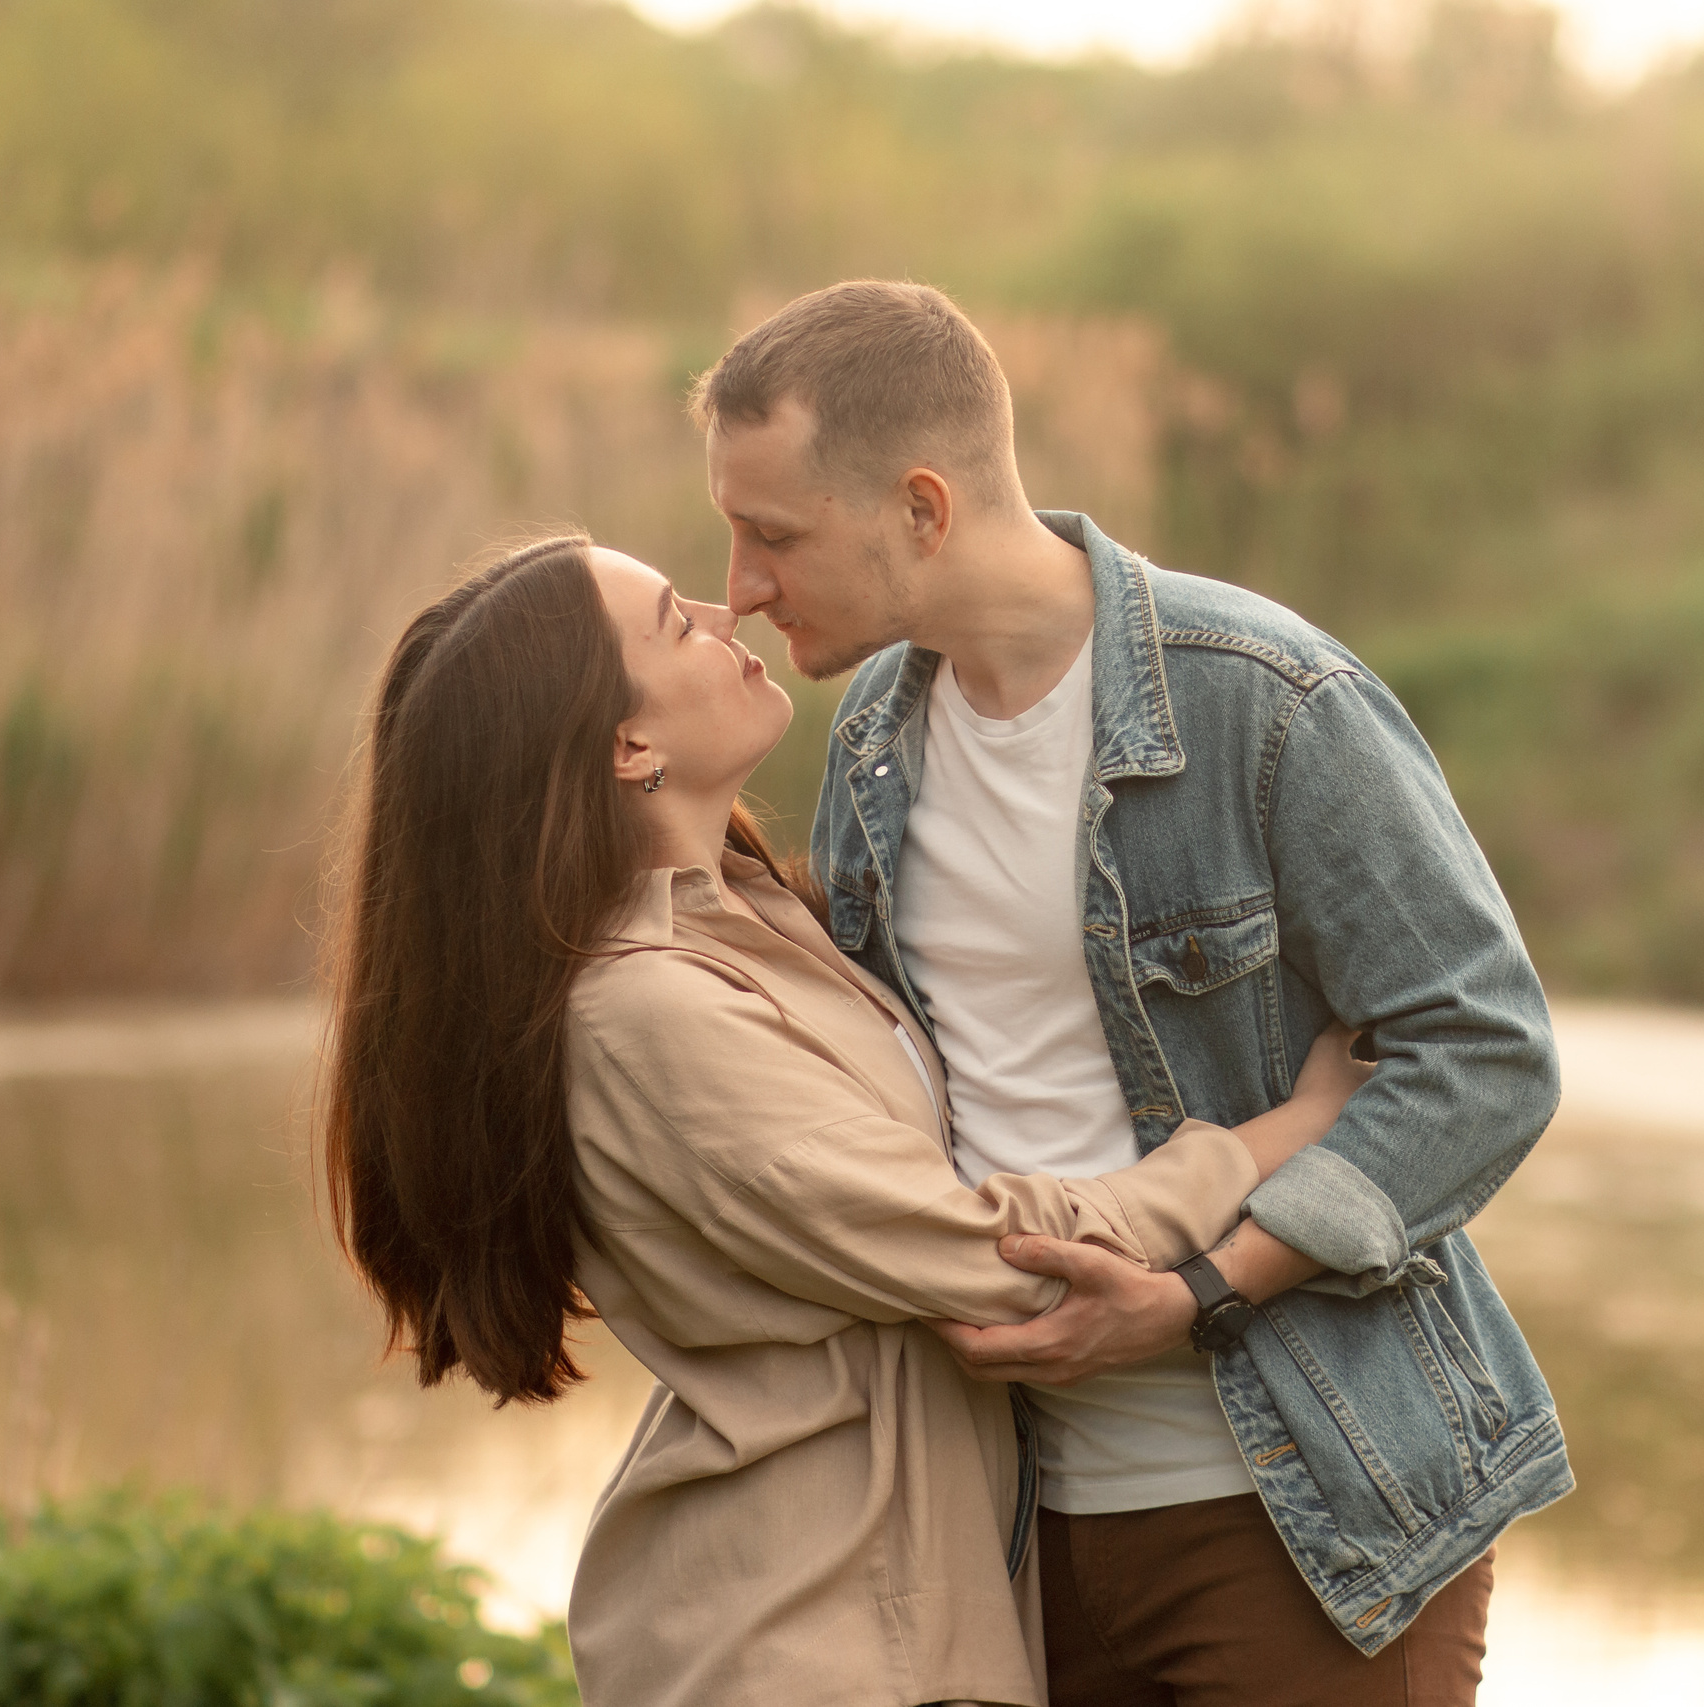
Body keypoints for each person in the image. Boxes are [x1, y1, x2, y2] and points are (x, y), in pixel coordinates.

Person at [696, 281, 1571, 1707]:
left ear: (922, 506)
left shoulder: (1266, 699)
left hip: (1301, 1503)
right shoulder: (870, 738)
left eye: (773, 534)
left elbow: (1485, 1053)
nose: (737, 582)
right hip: (1013, 1526)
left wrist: (1199, 1288)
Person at [317, 534, 1374, 1707]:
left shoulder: (747, 921)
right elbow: (993, 1257)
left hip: (888, 1612)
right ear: (630, 747)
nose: (729, 614)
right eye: (678, 620)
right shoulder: (645, 1010)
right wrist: (1286, 1129)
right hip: (810, 1640)